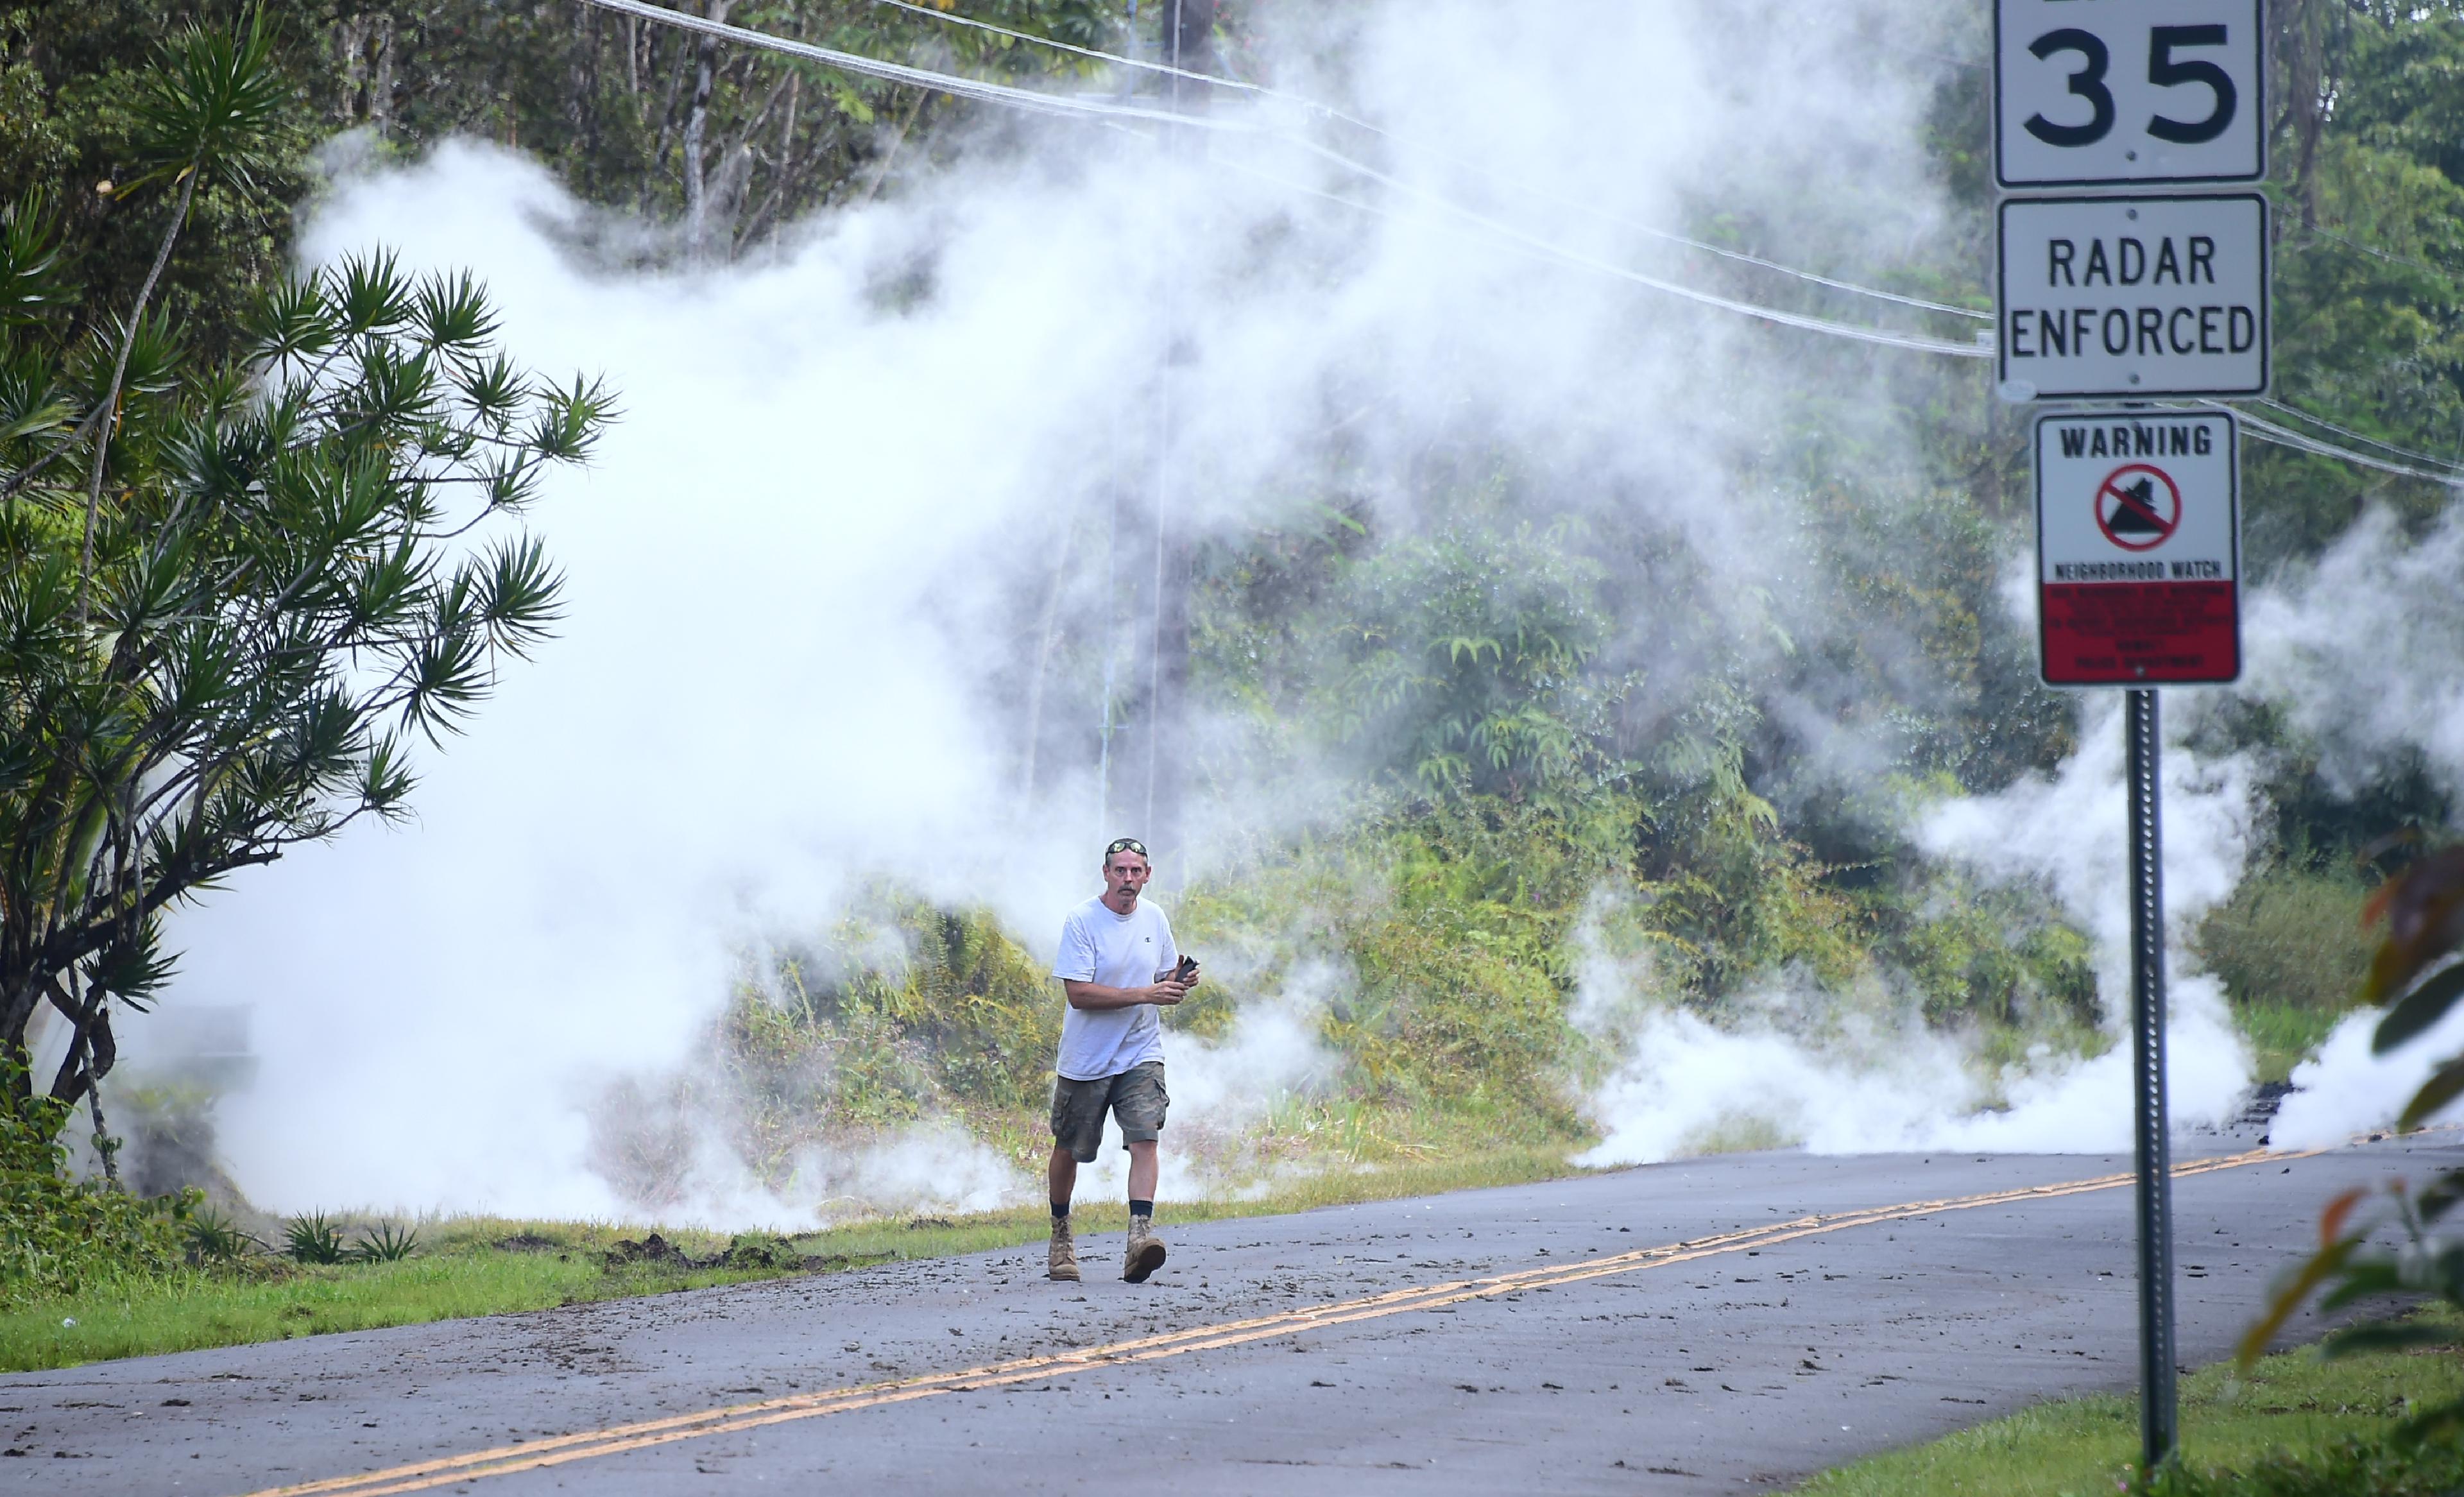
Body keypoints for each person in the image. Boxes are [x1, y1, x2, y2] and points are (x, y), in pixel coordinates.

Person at [1045, 836, 1196, 1283]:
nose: (1128, 879)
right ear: (1106, 873)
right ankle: (1061, 1232)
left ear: (1148, 875)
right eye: (1120, 871)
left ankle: (1139, 1238)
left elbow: (1160, 975)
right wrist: (1147, 993)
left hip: (1140, 1050)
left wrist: (1178, 980)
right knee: (1070, 1148)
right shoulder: (1082, 921)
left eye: (1136, 871)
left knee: (1145, 1137)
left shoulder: (1155, 918)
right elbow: (1078, 993)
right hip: (1087, 1058)